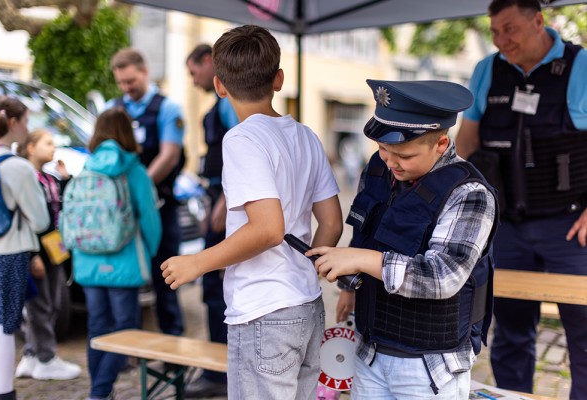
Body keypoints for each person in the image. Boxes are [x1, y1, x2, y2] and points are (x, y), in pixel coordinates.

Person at [162, 25, 343, 400]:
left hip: (263, 309)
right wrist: (303, 273)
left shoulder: (242, 138)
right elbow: (331, 222)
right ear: (278, 79)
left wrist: (198, 263)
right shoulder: (306, 136)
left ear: (219, 85)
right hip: (305, 305)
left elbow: (267, 229)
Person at [308, 80, 498, 399]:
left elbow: (443, 277)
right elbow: (365, 232)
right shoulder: (380, 169)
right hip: (370, 350)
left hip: (428, 366)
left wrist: (360, 260)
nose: (390, 161)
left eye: (403, 154)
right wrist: (350, 289)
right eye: (383, 149)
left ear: (440, 144)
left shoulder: (469, 195)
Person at [455, 1, 587, 397]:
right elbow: (467, 143)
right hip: (506, 227)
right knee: (509, 333)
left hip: (570, 227)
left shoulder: (580, 67)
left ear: (538, 20)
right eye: (494, 31)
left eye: (509, 29)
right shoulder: (487, 71)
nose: (501, 40)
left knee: (584, 335)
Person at [70, 107, 162, 400]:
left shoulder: (87, 167)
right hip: (124, 261)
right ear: (127, 132)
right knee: (125, 328)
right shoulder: (133, 169)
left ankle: (99, 391)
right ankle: (100, 393)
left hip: (86, 260)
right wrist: (149, 250)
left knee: (97, 326)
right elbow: (149, 217)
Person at [108, 48, 186, 336]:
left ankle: (172, 352)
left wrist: (139, 189)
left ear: (144, 72)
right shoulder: (112, 108)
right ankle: (126, 347)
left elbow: (169, 156)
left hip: (160, 207)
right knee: (124, 281)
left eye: (131, 81)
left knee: (166, 279)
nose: (127, 88)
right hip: (122, 213)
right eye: (122, 83)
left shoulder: (167, 109)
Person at [183, 43, 239, 398]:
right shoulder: (216, 106)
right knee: (211, 290)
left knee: (217, 289)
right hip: (215, 201)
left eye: (194, 72)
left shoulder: (229, 106)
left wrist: (225, 201)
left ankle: (221, 372)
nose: (193, 80)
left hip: (226, 205)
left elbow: (239, 153)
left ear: (209, 63)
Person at [0, 97, 50, 400]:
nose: (28, 127)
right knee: (3, 326)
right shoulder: (18, 167)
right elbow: (40, 220)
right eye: (25, 120)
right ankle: (4, 391)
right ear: (12, 122)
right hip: (8, 253)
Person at [14, 129, 81, 380]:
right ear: (30, 147)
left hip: (56, 247)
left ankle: (32, 354)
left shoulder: (49, 178)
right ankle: (45, 356)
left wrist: (65, 179)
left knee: (52, 302)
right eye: (48, 143)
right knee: (39, 305)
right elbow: (26, 218)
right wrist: (32, 255)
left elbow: (59, 206)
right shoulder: (26, 177)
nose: (54, 148)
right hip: (38, 250)